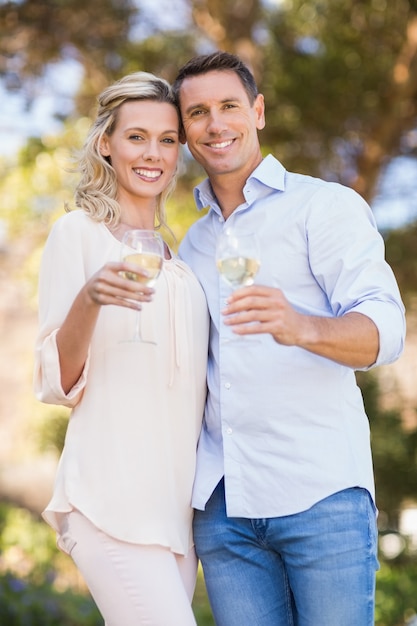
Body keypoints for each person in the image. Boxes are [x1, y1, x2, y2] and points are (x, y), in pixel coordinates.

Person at [172, 51, 406, 626]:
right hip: (224, 508)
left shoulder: (322, 206)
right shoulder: (190, 246)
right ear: (182, 132)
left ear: (257, 112)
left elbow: (387, 331)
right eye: (197, 112)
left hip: (320, 494)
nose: (215, 124)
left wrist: (300, 325)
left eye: (229, 106)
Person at [34, 71, 208, 626]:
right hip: (109, 502)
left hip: (177, 519)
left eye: (168, 139)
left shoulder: (184, 263)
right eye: (137, 137)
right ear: (107, 143)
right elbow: (54, 380)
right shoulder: (77, 234)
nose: (153, 153)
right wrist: (90, 298)